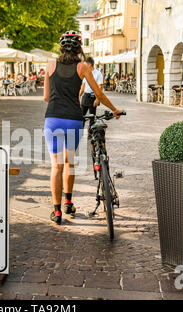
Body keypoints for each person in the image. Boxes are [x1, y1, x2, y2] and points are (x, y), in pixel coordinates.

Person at [43, 30, 123, 225]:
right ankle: (69, 203)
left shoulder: (50, 65)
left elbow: (46, 97)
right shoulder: (83, 67)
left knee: (56, 166)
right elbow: (100, 95)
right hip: (73, 119)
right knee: (69, 163)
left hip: (53, 119)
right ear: (79, 48)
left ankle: (57, 212)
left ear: (61, 47)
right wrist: (115, 109)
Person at [79, 57, 104, 122]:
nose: (84, 66)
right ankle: (80, 131)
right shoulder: (85, 73)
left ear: (89, 64)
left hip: (93, 97)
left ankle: (91, 132)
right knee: (81, 117)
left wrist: (97, 99)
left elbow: (100, 87)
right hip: (85, 96)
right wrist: (78, 96)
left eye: (85, 64)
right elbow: (83, 86)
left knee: (92, 118)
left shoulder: (98, 73)